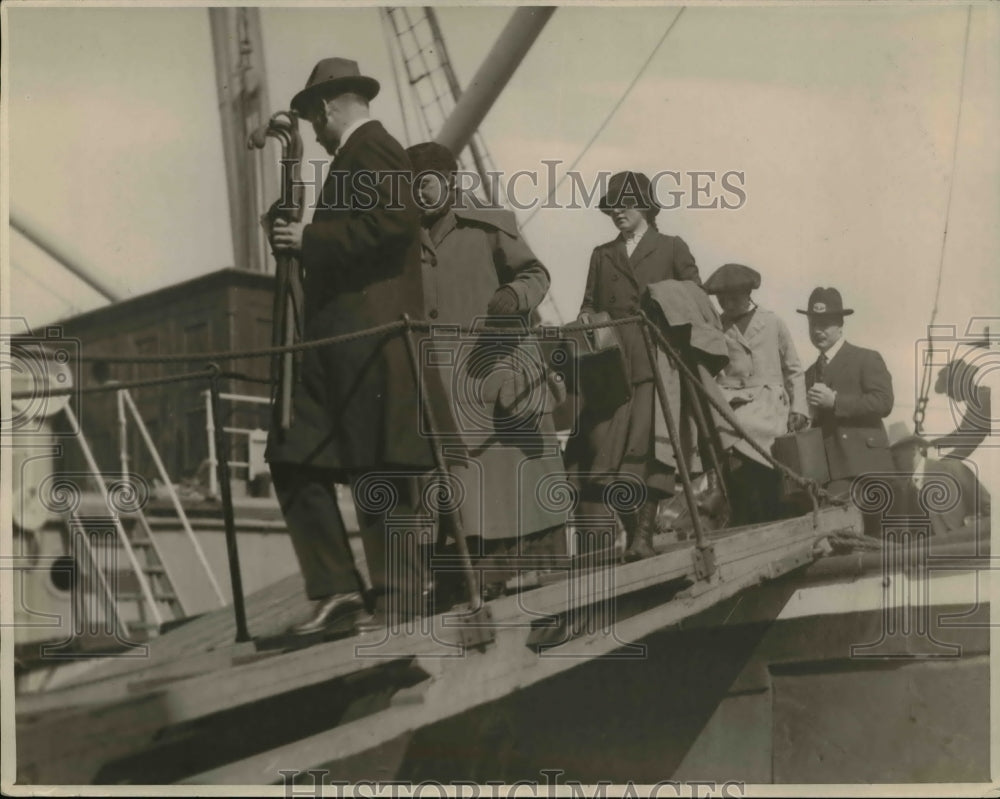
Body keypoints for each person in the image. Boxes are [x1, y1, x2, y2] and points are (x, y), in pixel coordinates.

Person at [265, 58, 433, 635]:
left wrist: (308, 237)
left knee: (378, 467)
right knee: (291, 450)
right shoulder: (352, 158)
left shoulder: (375, 148)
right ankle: (337, 590)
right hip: (335, 347)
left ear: (328, 107)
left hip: (372, 343)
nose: (313, 132)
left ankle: (400, 600)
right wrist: (294, 233)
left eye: (314, 120)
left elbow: (394, 223)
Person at [405, 142, 567, 599]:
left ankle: (510, 571)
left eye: (426, 183)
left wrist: (515, 295)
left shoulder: (488, 223)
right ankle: (461, 576)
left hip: (494, 365)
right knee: (458, 479)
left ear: (450, 180)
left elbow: (535, 274)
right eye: (411, 186)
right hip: (439, 378)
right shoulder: (405, 237)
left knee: (507, 474)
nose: (420, 193)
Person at [565, 171, 701, 562]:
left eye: (624, 204)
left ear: (645, 206)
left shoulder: (672, 247)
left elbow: (696, 296)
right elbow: (588, 303)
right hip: (609, 367)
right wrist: (586, 318)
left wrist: (661, 299)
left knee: (647, 450)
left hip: (655, 363)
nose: (616, 212)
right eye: (611, 207)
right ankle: (634, 534)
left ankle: (642, 537)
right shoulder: (602, 254)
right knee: (604, 449)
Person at [704, 263, 809, 524]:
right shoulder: (717, 327)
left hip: (769, 406)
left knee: (770, 474)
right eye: (721, 300)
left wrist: (799, 408)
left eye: (733, 298)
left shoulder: (773, 322)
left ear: (748, 293)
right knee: (739, 475)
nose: (727, 304)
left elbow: (794, 370)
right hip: (733, 408)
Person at [799, 287, 894, 528]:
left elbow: (884, 402)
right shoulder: (808, 374)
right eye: (813, 323)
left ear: (840, 325)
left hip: (866, 467)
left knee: (873, 539)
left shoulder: (866, 358)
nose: (817, 330)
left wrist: (836, 402)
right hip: (830, 474)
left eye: (825, 324)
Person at [888, 421, 990, 534]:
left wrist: (974, 524)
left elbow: (990, 510)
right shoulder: (907, 494)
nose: (893, 464)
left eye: (896, 458)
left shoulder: (953, 469)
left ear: (913, 449)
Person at [929, 358, 991, 462]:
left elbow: (968, 444)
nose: (948, 395)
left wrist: (940, 465)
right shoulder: (979, 398)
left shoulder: (983, 401)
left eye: (949, 390)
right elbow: (962, 434)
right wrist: (931, 444)